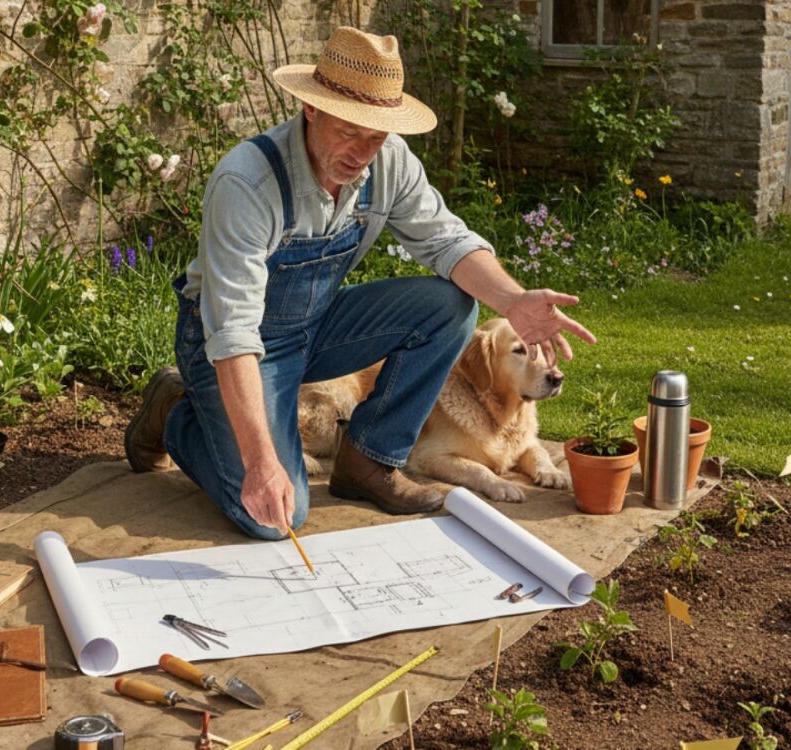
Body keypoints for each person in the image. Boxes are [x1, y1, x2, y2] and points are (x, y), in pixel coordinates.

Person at [124, 26, 595, 540]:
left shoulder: (385, 161)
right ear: (312, 109)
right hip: (233, 347)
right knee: (273, 518)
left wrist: (514, 300)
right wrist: (260, 461)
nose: (362, 153)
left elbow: (447, 241)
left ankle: (369, 461)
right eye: (350, 132)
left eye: (376, 137)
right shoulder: (248, 183)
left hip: (317, 325)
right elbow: (232, 332)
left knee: (451, 307)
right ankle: (177, 412)